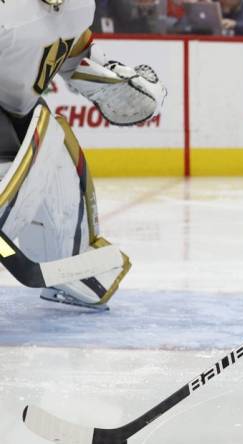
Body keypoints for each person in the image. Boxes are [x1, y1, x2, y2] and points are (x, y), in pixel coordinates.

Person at [0, 0, 166, 309]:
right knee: (12, 174)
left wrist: (111, 81)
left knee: (56, 153)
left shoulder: (78, 5)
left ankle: (69, 265)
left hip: (21, 109)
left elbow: (70, 50)